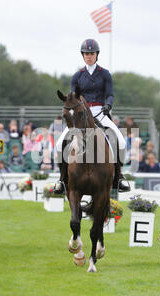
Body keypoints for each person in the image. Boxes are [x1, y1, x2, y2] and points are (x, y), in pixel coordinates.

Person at [54, 38, 130, 195]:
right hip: (81, 113)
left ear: (97, 55)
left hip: (99, 112)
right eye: (86, 54)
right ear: (83, 55)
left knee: (120, 141)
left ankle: (119, 177)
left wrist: (108, 105)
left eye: (92, 53)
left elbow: (109, 94)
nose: (89, 56)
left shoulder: (105, 74)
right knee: (60, 143)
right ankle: (62, 179)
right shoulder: (77, 76)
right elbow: (73, 97)